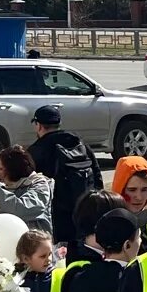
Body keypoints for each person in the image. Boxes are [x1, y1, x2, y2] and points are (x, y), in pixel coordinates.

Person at [25, 104, 100, 248]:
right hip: (86, 211)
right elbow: (97, 175)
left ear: (38, 125)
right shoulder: (80, 144)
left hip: (57, 218)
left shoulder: (36, 151)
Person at [0, 145, 53, 233]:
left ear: (14, 169)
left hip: (33, 242)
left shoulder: (39, 185)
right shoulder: (11, 186)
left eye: (1, 169)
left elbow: (20, 209)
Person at [110, 155, 147, 251]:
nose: (139, 197)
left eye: (144, 190)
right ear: (120, 190)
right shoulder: (105, 227)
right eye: (132, 190)